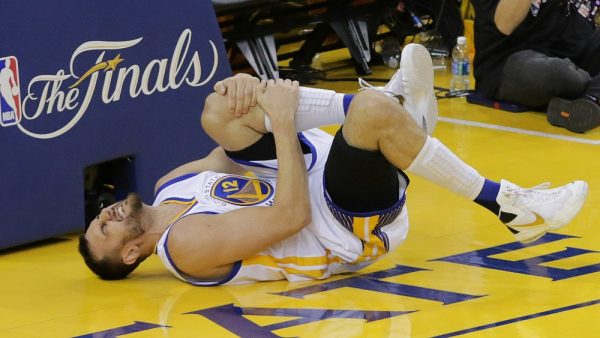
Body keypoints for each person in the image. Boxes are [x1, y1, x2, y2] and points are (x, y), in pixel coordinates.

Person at [78, 44, 588, 285]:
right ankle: (506, 204)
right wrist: (279, 122)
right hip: (334, 228)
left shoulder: (172, 186)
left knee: (217, 110)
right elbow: (290, 218)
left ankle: (390, 109)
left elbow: (231, 140)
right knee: (368, 117)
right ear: (128, 256)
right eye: (102, 233)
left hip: (305, 171)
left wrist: (243, 92)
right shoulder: (183, 247)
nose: (103, 217)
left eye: (97, 219)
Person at [471, 0, 600, 133]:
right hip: (508, 62)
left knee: (568, 73)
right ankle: (593, 94)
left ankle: (587, 100)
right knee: (564, 74)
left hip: (571, 56)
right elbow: (505, 24)